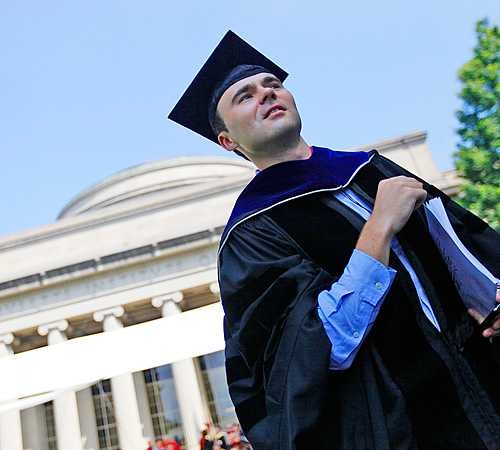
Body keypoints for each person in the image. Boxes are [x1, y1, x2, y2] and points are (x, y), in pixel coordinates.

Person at [169, 31, 500, 450]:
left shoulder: (370, 168)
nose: (267, 94)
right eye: (245, 96)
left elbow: (470, 248)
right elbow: (318, 352)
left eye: (273, 85)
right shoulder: (253, 234)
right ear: (227, 141)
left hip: (486, 384)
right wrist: (378, 228)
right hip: (404, 425)